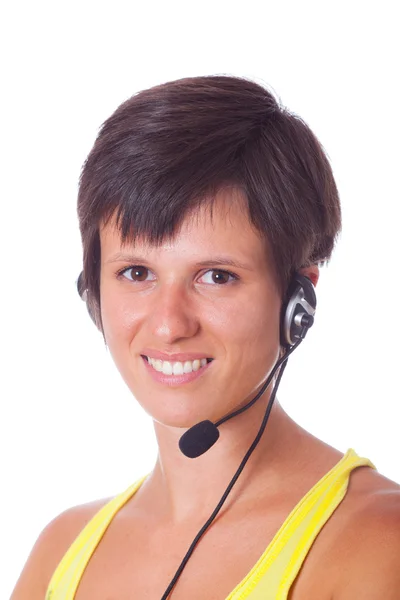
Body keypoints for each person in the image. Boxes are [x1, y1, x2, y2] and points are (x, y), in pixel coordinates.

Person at [11, 75, 400, 600]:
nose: (170, 324)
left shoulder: (376, 543)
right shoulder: (60, 551)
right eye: (136, 272)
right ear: (93, 294)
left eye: (216, 276)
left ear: (296, 304)